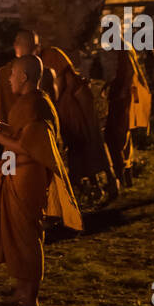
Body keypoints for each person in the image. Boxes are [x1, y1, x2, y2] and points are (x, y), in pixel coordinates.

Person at [0, 54, 82, 306]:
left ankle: (30, 301)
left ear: (24, 77)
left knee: (28, 236)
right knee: (17, 235)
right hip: (17, 172)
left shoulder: (37, 104)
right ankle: (21, 290)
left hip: (28, 177)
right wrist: (2, 127)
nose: (9, 77)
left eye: (13, 73)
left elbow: (32, 147)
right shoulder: (28, 102)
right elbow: (23, 134)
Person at [40, 44, 118, 200]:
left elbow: (85, 107)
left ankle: (110, 183)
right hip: (72, 127)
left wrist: (89, 127)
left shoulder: (73, 83)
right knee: (81, 155)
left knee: (94, 151)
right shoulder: (61, 84)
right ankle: (94, 187)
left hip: (82, 125)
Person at [104, 42, 152, 187]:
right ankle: (127, 180)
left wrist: (121, 93)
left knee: (115, 139)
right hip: (121, 100)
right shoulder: (124, 48)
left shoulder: (123, 49)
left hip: (121, 102)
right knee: (122, 139)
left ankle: (122, 178)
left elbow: (130, 72)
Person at [0, 28, 42, 123]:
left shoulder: (2, 72)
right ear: (37, 47)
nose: (10, 79)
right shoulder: (45, 72)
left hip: (12, 128)